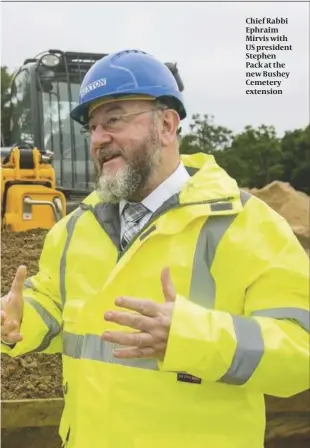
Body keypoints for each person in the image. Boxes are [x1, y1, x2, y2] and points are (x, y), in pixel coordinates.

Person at [1, 49, 309, 448]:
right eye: (92, 127)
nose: (98, 139)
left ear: (166, 124)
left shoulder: (247, 226)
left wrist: (190, 338)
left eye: (113, 119)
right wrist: (18, 322)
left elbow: (301, 350)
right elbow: (57, 311)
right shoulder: (73, 229)